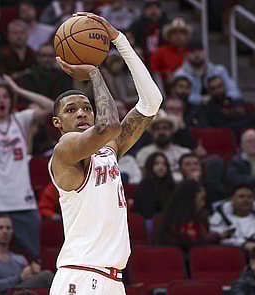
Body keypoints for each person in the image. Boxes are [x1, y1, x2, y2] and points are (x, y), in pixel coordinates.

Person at [48, 12, 162, 294]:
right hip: (81, 275)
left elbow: (151, 103)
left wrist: (118, 39)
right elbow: (109, 124)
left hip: (112, 278)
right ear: (58, 123)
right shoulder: (65, 150)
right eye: (71, 110)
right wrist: (95, 73)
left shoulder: (109, 149)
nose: (82, 113)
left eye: (87, 107)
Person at [0, 73, 53, 257]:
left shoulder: (21, 120)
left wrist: (18, 90)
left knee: (33, 259)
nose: (1, 100)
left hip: (22, 202)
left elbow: (51, 106)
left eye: (5, 96)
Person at [0, 214, 54, 294]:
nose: (5, 231)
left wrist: (32, 273)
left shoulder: (20, 258)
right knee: (46, 276)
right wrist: (19, 277)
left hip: (20, 292)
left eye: (8, 228)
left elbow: (26, 281)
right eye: (0, 228)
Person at [157, 180, 228, 251]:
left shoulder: (197, 217)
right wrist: (218, 236)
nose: (203, 204)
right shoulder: (177, 221)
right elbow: (194, 242)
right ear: (190, 199)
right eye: (202, 199)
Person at [209, 184, 255, 250]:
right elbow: (220, 239)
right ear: (232, 199)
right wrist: (243, 244)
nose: (246, 200)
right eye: (241, 197)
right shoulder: (220, 217)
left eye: (249, 197)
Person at [174, 40, 241, 105]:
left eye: (200, 51)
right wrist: (202, 99)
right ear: (187, 54)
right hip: (191, 110)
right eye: (193, 51)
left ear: (205, 52)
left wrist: (226, 98)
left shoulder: (219, 71)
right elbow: (179, 97)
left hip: (219, 106)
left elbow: (235, 91)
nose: (197, 54)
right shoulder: (180, 74)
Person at [135, 110, 191, 182]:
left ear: (171, 131)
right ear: (152, 133)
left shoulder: (183, 152)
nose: (161, 132)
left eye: (165, 128)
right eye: (157, 129)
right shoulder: (143, 153)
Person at [134, 152, 175, 222]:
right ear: (150, 165)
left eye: (164, 164)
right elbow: (147, 212)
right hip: (150, 222)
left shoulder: (171, 185)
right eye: (157, 164)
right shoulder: (146, 184)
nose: (161, 167)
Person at [151, 17, 192, 86]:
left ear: (186, 36)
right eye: (174, 32)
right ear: (169, 36)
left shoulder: (191, 52)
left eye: (182, 32)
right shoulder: (159, 53)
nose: (178, 35)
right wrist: (164, 74)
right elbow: (154, 72)